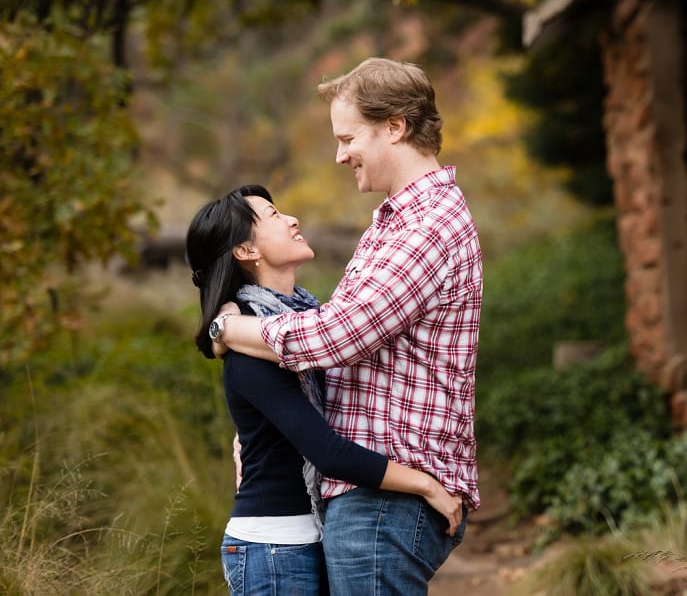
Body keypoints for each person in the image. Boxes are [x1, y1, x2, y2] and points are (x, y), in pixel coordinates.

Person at [209, 57, 483, 595]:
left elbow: (338, 337)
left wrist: (228, 331)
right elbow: (346, 351)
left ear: (395, 127)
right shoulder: (394, 222)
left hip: (385, 501)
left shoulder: (427, 226)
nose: (339, 155)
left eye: (348, 137)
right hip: (371, 497)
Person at [186, 184, 463, 595]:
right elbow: (327, 452)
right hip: (274, 547)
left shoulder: (297, 323)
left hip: (301, 537)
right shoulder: (251, 349)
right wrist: (426, 484)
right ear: (247, 251)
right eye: (274, 216)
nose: (292, 219)